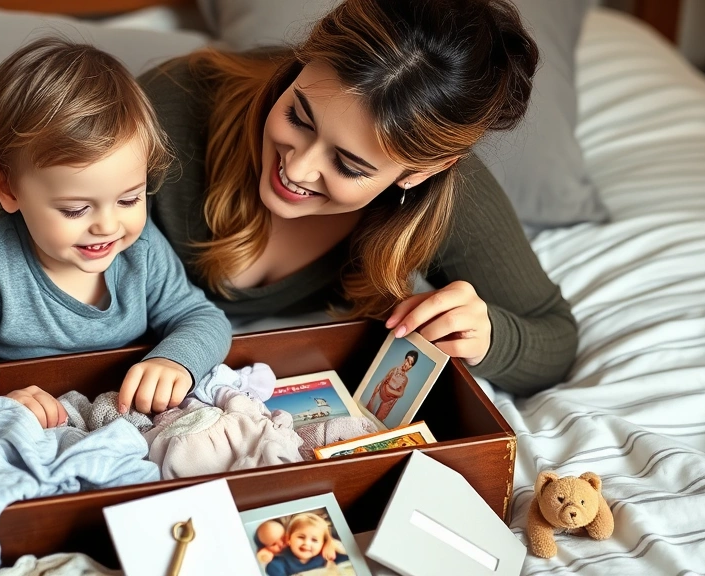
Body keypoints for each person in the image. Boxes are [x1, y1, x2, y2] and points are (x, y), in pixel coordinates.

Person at [140, 0, 577, 396]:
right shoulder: (171, 107)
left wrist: (488, 337)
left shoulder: (451, 201)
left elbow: (554, 337)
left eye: (349, 165)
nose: (295, 169)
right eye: (298, 116)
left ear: (422, 171)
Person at [0, 39, 232, 433]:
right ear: (9, 189)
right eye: (75, 209)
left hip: (118, 417)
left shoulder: (143, 249)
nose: (107, 225)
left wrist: (175, 360)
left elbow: (203, 318)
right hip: (18, 415)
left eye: (129, 199)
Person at [263, 513, 350, 576]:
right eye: (301, 537)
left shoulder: (326, 555)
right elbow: (272, 569)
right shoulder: (280, 562)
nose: (307, 543)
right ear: (288, 539)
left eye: (314, 540)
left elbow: (352, 555)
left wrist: (331, 544)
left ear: (323, 544)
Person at [255, 518, 342, 565]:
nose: (281, 544)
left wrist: (329, 542)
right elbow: (262, 555)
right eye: (273, 544)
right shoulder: (276, 555)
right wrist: (265, 554)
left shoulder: (299, 534)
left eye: (282, 538)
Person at [366, 350, 418, 421]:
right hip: (381, 392)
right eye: (407, 360)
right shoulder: (394, 370)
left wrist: (390, 390)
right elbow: (384, 380)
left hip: (388, 401)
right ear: (404, 359)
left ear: (411, 367)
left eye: (410, 363)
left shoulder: (405, 379)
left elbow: (400, 393)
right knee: (369, 410)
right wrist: (377, 389)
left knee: (378, 419)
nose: (406, 364)